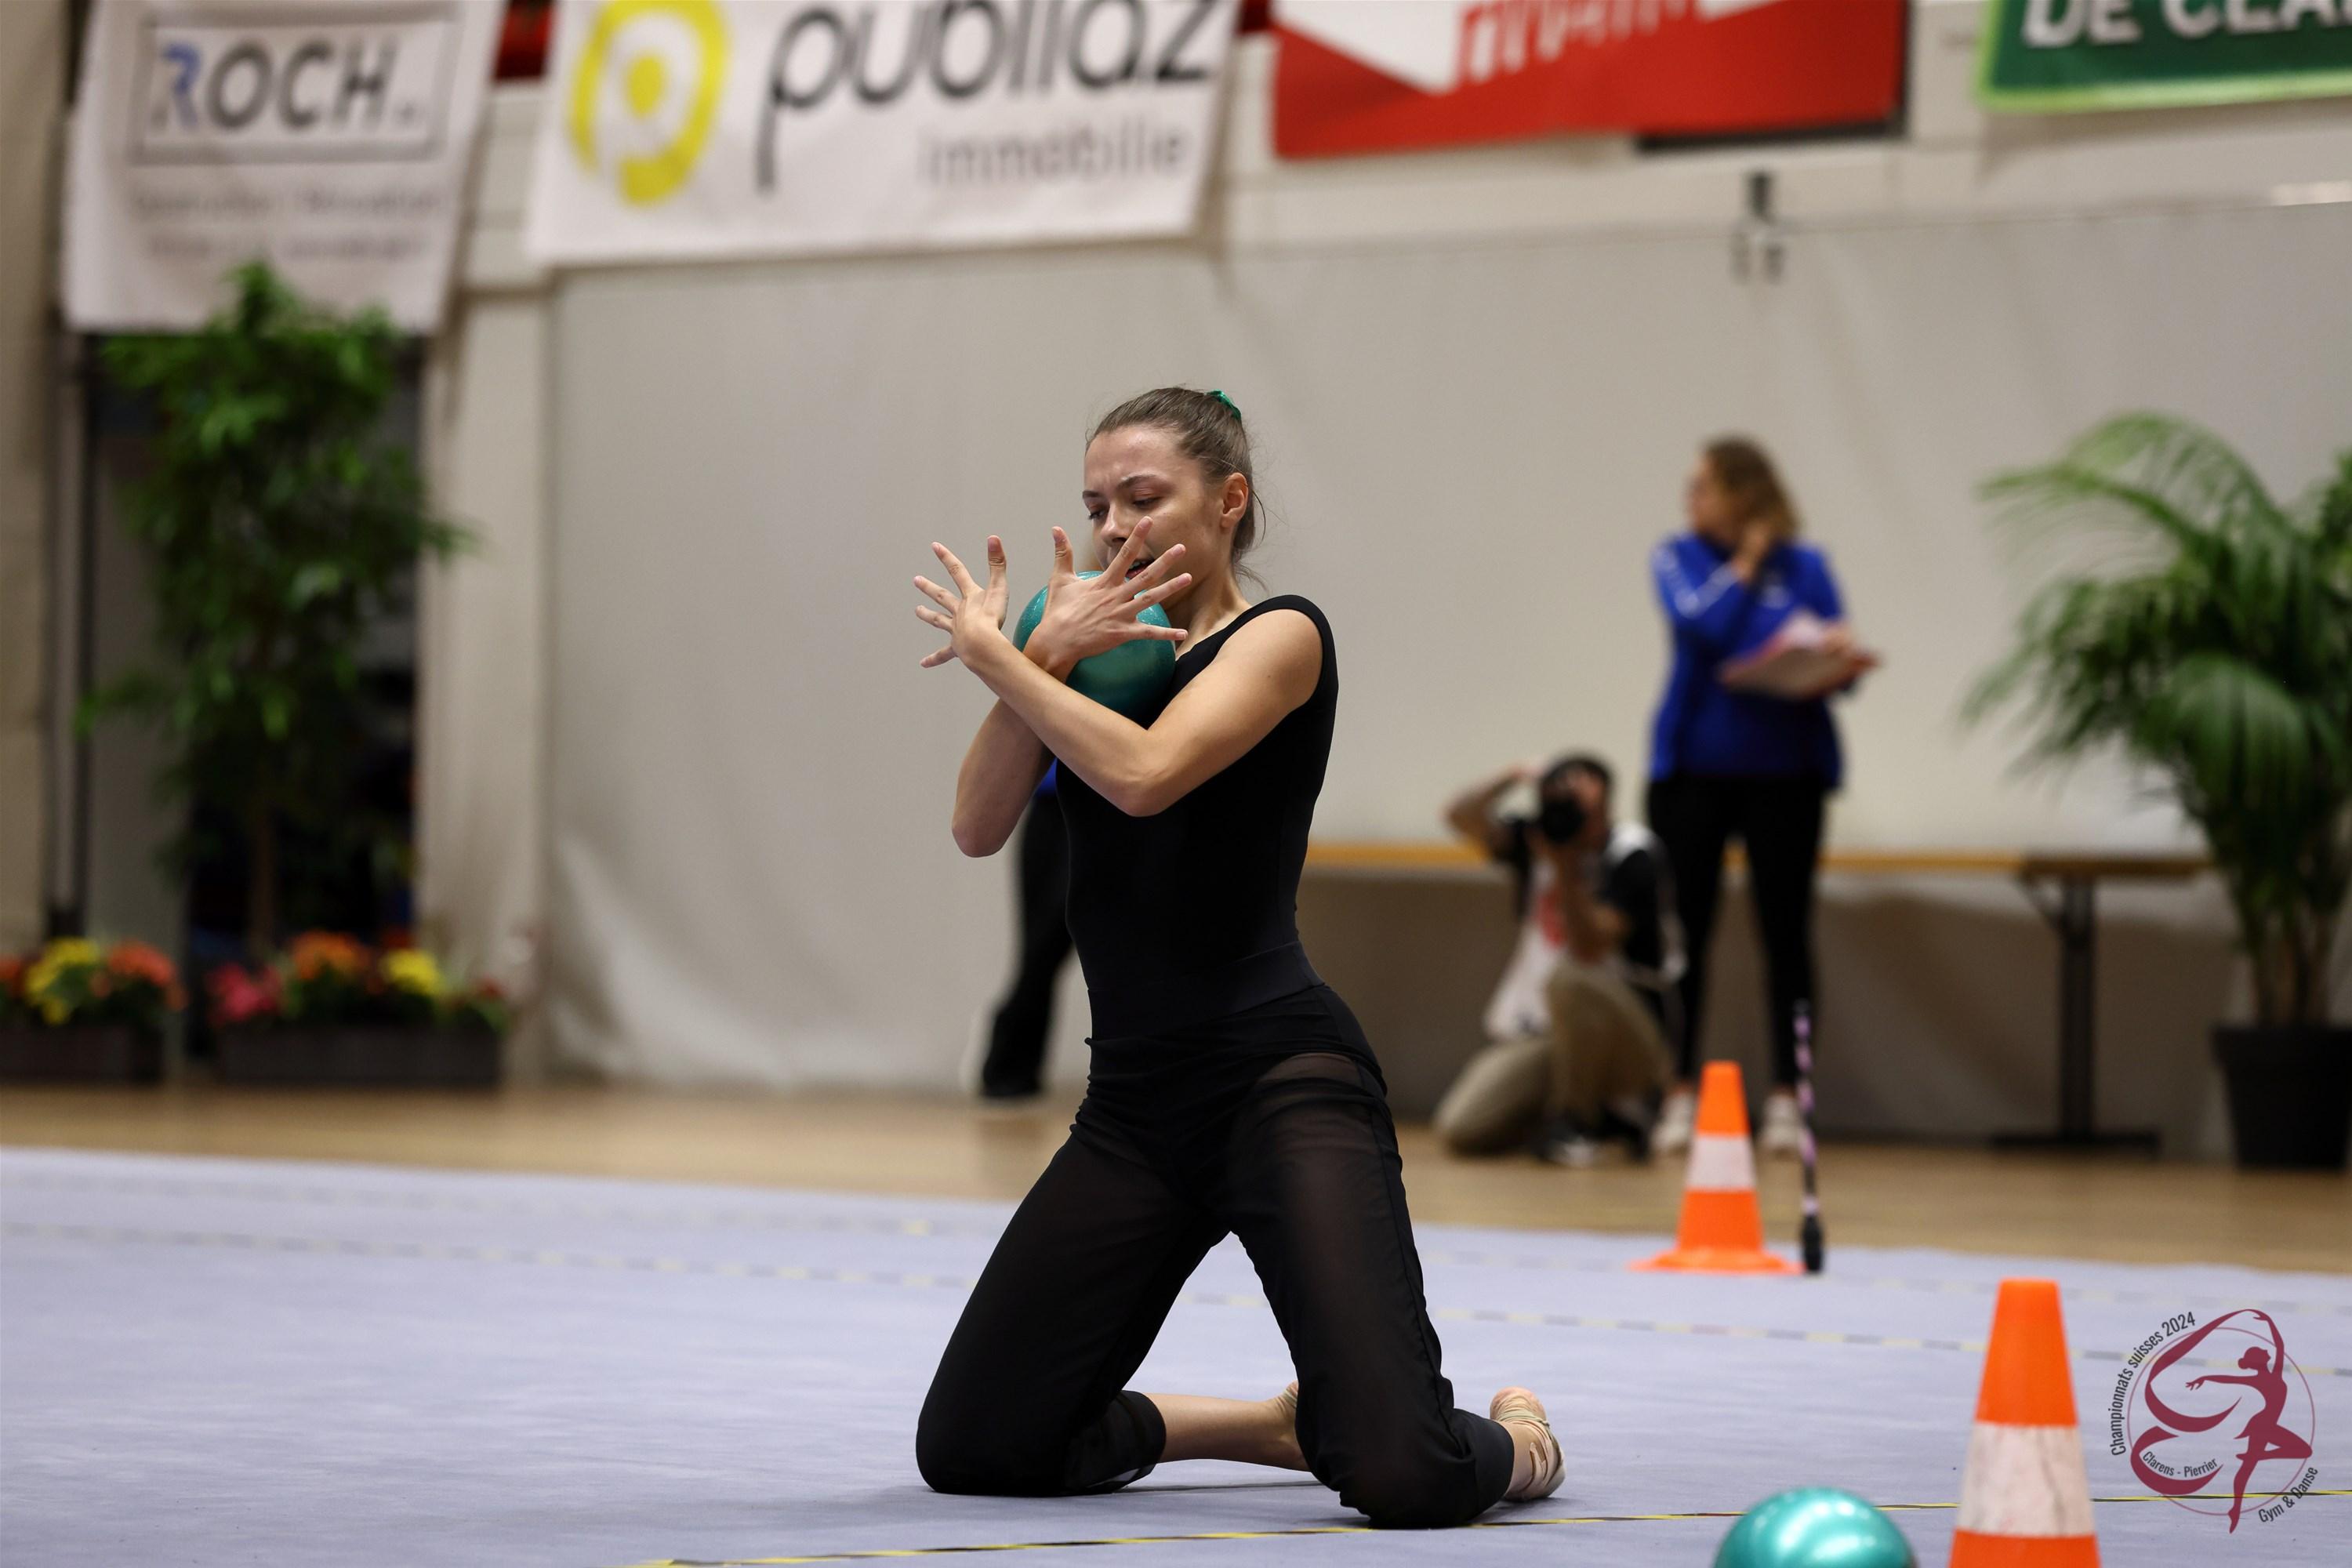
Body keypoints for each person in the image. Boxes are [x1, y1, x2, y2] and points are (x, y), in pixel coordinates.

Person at [907, 387, 1563, 1526]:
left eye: (1142, 497)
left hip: (1281, 1081)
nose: (1114, 526)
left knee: (1402, 1472)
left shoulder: (1281, 636)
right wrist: (1043, 659)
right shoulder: (1078, 663)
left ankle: (1521, 1446)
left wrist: (1008, 664)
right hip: (1136, 1108)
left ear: (1229, 502)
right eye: (1096, 505)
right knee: (976, 1444)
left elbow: (1146, 776)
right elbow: (975, 826)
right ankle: (1263, 1426)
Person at [1645, 436, 1859, 1160]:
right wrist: (1744, 565)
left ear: (1742, 492)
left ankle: (1789, 1099)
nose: (1690, 498)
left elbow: (1837, 662)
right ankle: (1678, 1090)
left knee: (1787, 934)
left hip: (1787, 774)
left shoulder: (1807, 565)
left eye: (1703, 486)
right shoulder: (1678, 557)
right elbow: (1701, 626)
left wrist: (1834, 651)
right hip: (1694, 773)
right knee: (1686, 935)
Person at [1431, 754, 1681, 1166]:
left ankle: (1578, 1120)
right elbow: (1458, 817)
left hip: (1629, 1039)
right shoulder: (1539, 842)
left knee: (1569, 977)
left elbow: (1589, 948)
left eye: (1582, 805)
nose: (1573, 817)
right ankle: (1595, 1124)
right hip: (1546, 1034)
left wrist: (1566, 868)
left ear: (1607, 803)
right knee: (1462, 1127)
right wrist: (1513, 774)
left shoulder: (1632, 854)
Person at [973, 762, 1070, 1101]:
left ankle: (1010, 1065)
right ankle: (1011, 1069)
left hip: (1125, 800)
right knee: (1040, 944)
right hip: (1054, 806)